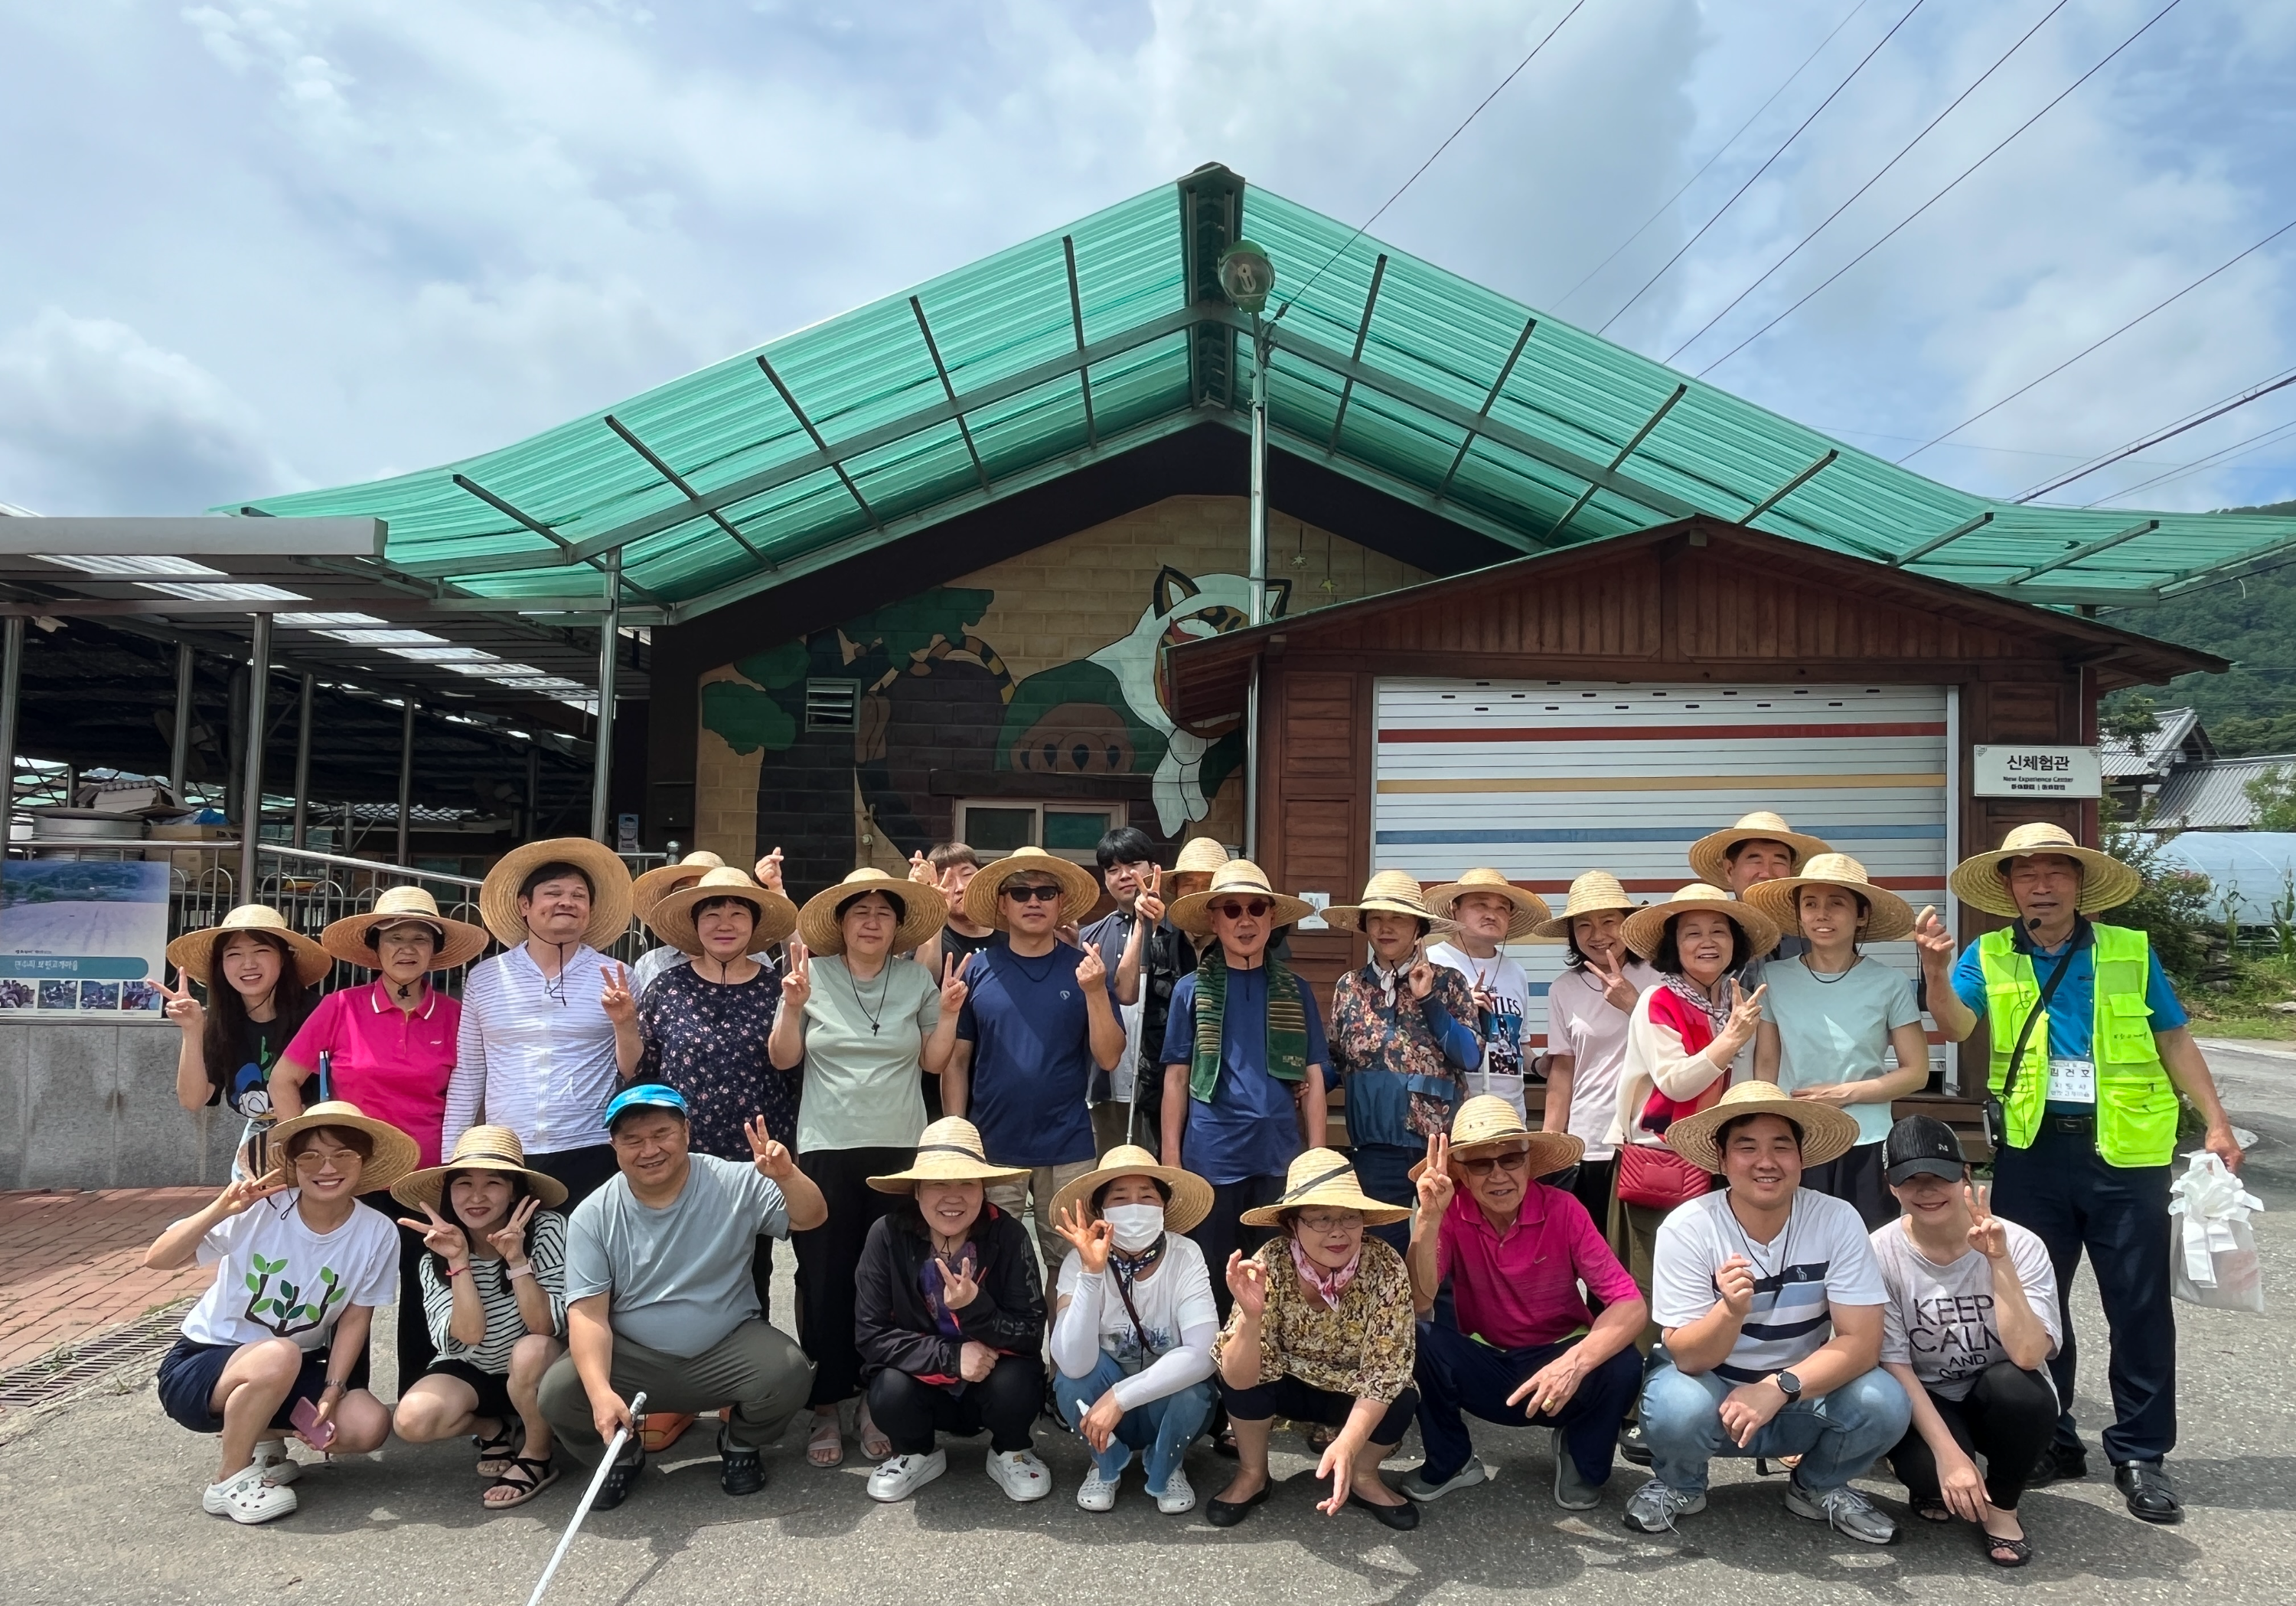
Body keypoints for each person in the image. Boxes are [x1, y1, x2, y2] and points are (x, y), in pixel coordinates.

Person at [1917, 821, 2245, 1522]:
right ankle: (2053, 1436)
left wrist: (2216, 1120)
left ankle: (2140, 1453)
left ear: (2079, 881)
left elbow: (2173, 1036)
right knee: (2035, 1299)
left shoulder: (2130, 950)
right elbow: (1954, 1027)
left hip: (2126, 1149)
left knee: (2139, 1305)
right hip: (2035, 1149)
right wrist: (1937, 974)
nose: (2041, 883)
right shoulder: (1988, 954)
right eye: (2026, 873)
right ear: (2008, 888)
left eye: (2055, 871)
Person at [1627, 1081, 1909, 1541]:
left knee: (1885, 1401)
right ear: (1721, 1160)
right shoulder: (1689, 1226)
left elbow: (1862, 1344)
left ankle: (1818, 1487)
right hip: (1714, 1388)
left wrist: (1779, 1387)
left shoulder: (1837, 1219)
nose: (1766, 1161)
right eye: (1747, 1147)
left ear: (1801, 1158)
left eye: (1782, 1146)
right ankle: (1681, 1484)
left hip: (1800, 1389)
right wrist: (1731, 1312)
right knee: (1677, 1406)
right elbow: (1688, 1358)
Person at [537, 1085, 825, 1509]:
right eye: (632, 1140)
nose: (649, 1149)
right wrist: (600, 1393)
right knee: (560, 1393)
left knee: (788, 1372)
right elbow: (588, 1315)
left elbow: (811, 1216)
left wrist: (787, 1176)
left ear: (687, 1131)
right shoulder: (592, 1215)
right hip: (633, 1358)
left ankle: (741, 1443)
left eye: (661, 1133)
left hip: (725, 1347)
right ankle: (621, 1455)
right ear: (613, 1145)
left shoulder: (736, 1179)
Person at [145, 1102, 411, 1523]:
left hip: (286, 1366)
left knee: (367, 1425)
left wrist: (332, 1389)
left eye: (344, 1154)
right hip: (204, 1364)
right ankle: (228, 1481)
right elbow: (158, 1259)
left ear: (364, 1162)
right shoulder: (260, 1209)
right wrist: (221, 1208)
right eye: (310, 1155)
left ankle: (265, 1442)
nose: (327, 1167)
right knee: (279, 1352)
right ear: (292, 1163)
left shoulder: (377, 1231)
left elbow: (356, 1318)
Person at [770, 867, 952, 1468]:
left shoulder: (914, 980)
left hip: (899, 1150)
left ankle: (878, 1397)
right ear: (841, 924)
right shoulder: (810, 974)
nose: (872, 921)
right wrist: (792, 1007)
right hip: (825, 1145)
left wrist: (948, 1011)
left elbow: (932, 1062)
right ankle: (827, 1402)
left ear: (898, 927)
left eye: (883, 912)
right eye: (860, 911)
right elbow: (783, 1056)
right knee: (824, 1276)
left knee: (891, 1280)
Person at [272, 886, 488, 1390]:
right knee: (346, 1292)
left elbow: (475, 1098)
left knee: (425, 1287)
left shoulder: (458, 1018)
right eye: (394, 939)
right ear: (376, 948)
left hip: (428, 1182)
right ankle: (344, 1398)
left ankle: (423, 1393)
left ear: (435, 951)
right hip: (354, 1179)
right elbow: (284, 1081)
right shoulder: (340, 1007)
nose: (407, 949)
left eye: (419, 938)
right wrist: (304, 1155)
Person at [1397, 1098, 1645, 1510]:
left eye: (1511, 1159)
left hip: (1560, 1360)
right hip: (1491, 1362)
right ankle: (1452, 1461)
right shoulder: (1451, 1212)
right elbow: (1419, 1300)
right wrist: (1427, 1218)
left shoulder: (1564, 1208)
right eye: (1480, 1164)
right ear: (1460, 1172)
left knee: (1622, 1362)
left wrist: (1574, 1365)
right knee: (1416, 1338)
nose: (1499, 1174)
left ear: (1529, 1163)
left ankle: (1581, 1453)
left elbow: (1630, 1304)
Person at [1871, 1115, 2061, 1568]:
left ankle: (2003, 1507)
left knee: (2021, 1390)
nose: (1928, 1190)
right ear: (1891, 1187)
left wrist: (1998, 1263)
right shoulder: (1878, 1251)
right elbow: (1894, 1362)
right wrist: (1951, 1457)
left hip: (1995, 1389)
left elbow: (2030, 1354)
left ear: (1966, 1175)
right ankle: (1941, 1477)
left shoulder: (2020, 1243)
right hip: (1929, 1394)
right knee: (1931, 1475)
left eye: (1941, 1175)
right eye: (1910, 1180)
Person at [616, 867, 800, 1327]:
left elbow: (787, 1065)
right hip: (681, 1157)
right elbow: (640, 1072)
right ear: (695, 925)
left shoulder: (774, 988)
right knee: (672, 1273)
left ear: (754, 926)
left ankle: (738, 1393)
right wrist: (622, 1023)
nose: (725, 922)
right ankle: (675, 1390)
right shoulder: (667, 988)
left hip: (753, 1158)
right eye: (712, 912)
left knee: (750, 1274)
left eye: (738, 912)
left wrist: (793, 1007)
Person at [1207, 1148, 1420, 1530]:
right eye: (1321, 1218)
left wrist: (1349, 1443)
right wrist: (1251, 1320)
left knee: (1402, 1392)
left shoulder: (1386, 1265)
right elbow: (1238, 1378)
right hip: (1286, 1383)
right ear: (1292, 1224)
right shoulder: (1268, 1262)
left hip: (1351, 1390)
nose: (1338, 1231)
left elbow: (1386, 1371)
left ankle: (1363, 1475)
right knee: (1239, 1357)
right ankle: (1253, 1473)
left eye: (1349, 1217)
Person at [933, 846, 1125, 1258]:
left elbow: (1109, 1057)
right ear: (1003, 904)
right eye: (1020, 893)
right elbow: (957, 1060)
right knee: (986, 1261)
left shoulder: (1086, 969)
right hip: (992, 1145)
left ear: (1061, 903)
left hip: (1068, 1144)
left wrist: (1094, 992)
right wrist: (957, 1136)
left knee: (1071, 1264)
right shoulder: (978, 969)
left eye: (1045, 892)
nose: (1033, 900)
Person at [1159, 860, 1329, 1319]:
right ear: (1214, 920)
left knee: (1279, 1279)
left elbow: (1312, 1077)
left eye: (1256, 907)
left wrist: (1317, 1159)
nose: (1244, 919)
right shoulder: (1189, 991)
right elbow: (1175, 1077)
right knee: (1212, 1276)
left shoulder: (1296, 990)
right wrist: (1172, 1162)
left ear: (1272, 917)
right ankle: (1214, 1378)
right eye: (1231, 910)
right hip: (1211, 1157)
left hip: (1279, 1158)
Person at [853, 1118, 1051, 1504]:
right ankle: (914, 1452)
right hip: (923, 1384)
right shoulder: (887, 1235)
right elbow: (871, 1335)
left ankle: (1011, 1450)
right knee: (888, 1391)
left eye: (966, 1183)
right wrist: (952, 1356)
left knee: (1019, 1385)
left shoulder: (1008, 1235)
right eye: (939, 1182)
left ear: (983, 1189)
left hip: (993, 1378)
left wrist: (975, 1309)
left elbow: (1030, 1331)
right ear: (916, 1189)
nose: (953, 1196)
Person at [445, 837, 638, 1210]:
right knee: (512, 1259)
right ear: (525, 906)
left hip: (591, 1146)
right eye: (553, 892)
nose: (567, 902)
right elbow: (469, 1074)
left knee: (587, 1261)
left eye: (579, 895)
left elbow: (634, 1070)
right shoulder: (485, 978)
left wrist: (626, 1022)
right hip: (507, 1150)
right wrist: (453, 1159)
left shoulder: (619, 977)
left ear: (590, 909)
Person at [1607, 884, 1775, 1311]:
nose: (1707, 942)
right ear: (1674, 945)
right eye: (1692, 933)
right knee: (1653, 1283)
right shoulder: (1657, 1000)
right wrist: (1732, 1038)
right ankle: (1651, 1372)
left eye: (1719, 931)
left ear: (1735, 943)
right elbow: (1676, 1083)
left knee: (1722, 1275)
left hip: (1725, 1159)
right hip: (1664, 1159)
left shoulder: (1732, 1001)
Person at [387, 1125, 571, 1510]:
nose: (475, 1196)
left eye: (493, 1183)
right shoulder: (434, 1253)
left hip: (540, 1366)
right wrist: (458, 1261)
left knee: (532, 1349)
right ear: (448, 1192)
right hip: (475, 1366)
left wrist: (517, 1260)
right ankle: (494, 1428)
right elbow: (467, 1336)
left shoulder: (548, 1229)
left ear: (515, 1191)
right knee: (412, 1420)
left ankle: (537, 1454)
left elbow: (545, 1326)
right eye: (463, 1184)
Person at [1746, 853, 1932, 1229]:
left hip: (1867, 1138)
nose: (1822, 914)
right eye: (1810, 904)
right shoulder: (1775, 977)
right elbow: (1766, 1064)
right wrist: (1765, 1132)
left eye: (1836, 904)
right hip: (1796, 1140)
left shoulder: (1889, 982)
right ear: (1799, 915)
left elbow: (1917, 1072)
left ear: (1861, 914)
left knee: (1866, 1248)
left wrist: (1845, 1093)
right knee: (1795, 1249)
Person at [1045, 1145, 1219, 1513]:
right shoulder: (1078, 1261)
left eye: (1147, 1197)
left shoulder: (1186, 1254)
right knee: (1070, 1382)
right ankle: (1104, 1461)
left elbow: (1204, 1354)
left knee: (1195, 1389)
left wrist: (1120, 1398)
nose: (1135, 1207)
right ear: (1101, 1212)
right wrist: (1092, 1273)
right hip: (1100, 1403)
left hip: (1160, 1402)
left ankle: (1166, 1461)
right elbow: (1072, 1362)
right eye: (1120, 1198)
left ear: (1164, 1207)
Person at [1324, 870, 1483, 1252]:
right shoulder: (1349, 986)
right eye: (1376, 918)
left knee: (1444, 1253)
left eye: (1398, 918)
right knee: (1381, 1251)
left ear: (1418, 928)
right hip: (1375, 1149)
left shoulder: (1449, 982)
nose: (1386, 927)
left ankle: (1438, 1315)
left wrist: (1427, 998)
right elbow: (1334, 1061)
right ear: (1364, 926)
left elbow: (1471, 1056)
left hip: (1439, 1148)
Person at [161, 904, 329, 1179]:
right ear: (221, 965)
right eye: (234, 954)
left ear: (284, 959)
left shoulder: (318, 1013)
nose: (248, 964)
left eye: (261, 951)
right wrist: (192, 1030)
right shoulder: (221, 1020)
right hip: (258, 1136)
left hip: (319, 1133)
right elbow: (193, 1100)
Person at [1535, 871, 1658, 1228]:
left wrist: (1634, 1004)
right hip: (1591, 1138)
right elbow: (1562, 1071)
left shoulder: (1660, 977)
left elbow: (1678, 1048)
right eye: (1584, 925)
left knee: (1642, 1255)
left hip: (1646, 1137)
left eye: (1609, 921)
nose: (1598, 934)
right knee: (1591, 1256)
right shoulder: (1564, 988)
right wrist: (1550, 1146)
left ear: (1629, 925)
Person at [1081, 825, 1197, 1157]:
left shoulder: (1184, 931)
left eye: (1133, 865)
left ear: (1153, 869)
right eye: (1113, 870)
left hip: (1169, 1082)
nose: (1124, 876)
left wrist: (1155, 921)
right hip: (1107, 1084)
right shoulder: (1091, 937)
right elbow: (1122, 991)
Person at [1425, 868, 1554, 1120]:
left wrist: (1539, 1065)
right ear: (1455, 908)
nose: (1491, 914)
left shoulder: (1516, 972)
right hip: (1451, 1112)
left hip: (1509, 1115)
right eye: (1480, 905)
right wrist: (1461, 1012)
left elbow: (1519, 1046)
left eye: (1501, 908)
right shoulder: (1430, 964)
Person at [1688, 810, 1828, 981]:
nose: (1766, 873)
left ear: (1791, 872)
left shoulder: (1813, 934)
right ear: (1729, 870)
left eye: (1778, 861)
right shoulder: (1708, 936)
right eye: (1755, 860)